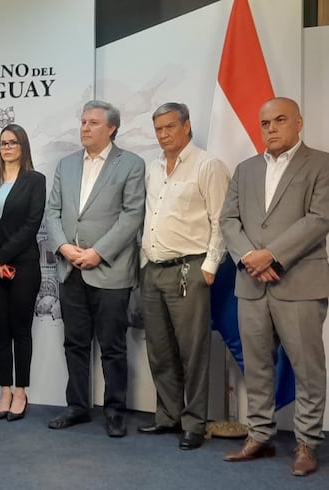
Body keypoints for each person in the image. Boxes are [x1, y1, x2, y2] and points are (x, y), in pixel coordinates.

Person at [220, 97, 329, 476]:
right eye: (265, 122)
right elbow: (228, 219)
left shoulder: (321, 163)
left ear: (298, 122)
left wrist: (272, 255)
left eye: (280, 120)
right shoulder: (246, 168)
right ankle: (260, 436)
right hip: (250, 283)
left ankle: (306, 443)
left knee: (307, 368)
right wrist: (251, 256)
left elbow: (319, 219)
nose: (271, 128)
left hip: (299, 282)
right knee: (257, 366)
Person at [45, 100, 145, 437]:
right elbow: (53, 211)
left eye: (93, 123)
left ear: (111, 128)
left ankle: (115, 411)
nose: (85, 128)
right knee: (74, 343)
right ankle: (77, 406)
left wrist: (98, 253)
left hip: (110, 271)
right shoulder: (66, 165)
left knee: (113, 347)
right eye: (83, 122)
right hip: (71, 268)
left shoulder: (131, 164)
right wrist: (62, 246)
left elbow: (132, 215)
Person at [137, 103, 230, 450]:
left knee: (193, 352)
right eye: (158, 129)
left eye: (170, 127)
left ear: (187, 126)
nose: (163, 135)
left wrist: (210, 267)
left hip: (190, 270)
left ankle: (194, 422)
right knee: (159, 351)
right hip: (154, 270)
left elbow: (221, 219)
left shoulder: (208, 165)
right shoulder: (152, 168)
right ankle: (168, 416)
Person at [0, 124, 45, 422]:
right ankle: (4, 390)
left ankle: (20, 391)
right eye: (3, 143)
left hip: (24, 265)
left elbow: (31, 225)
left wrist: (3, 255)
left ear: (23, 146)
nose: (7, 147)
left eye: (13, 142)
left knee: (21, 330)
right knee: (0, 332)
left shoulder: (35, 180)